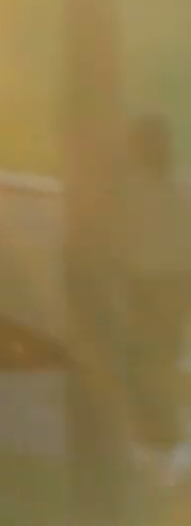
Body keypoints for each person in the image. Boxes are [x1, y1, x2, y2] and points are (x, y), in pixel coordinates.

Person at [124, 114, 191, 486]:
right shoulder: (180, 188)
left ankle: (160, 446)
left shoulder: (135, 193)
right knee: (157, 364)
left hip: (150, 288)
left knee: (147, 367)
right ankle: (160, 443)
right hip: (174, 287)